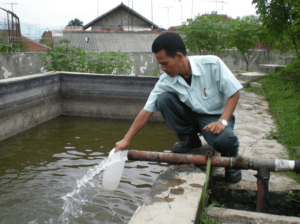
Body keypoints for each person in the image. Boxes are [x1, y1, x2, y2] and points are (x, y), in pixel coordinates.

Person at [114, 32, 243, 183]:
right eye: (160, 64)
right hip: (190, 115)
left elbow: (233, 93)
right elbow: (147, 110)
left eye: (165, 63)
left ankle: (232, 165)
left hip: (214, 117)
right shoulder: (166, 80)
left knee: (226, 140)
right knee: (163, 99)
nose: (163, 68)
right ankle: (189, 139)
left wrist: (223, 121)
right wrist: (126, 139)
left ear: (179, 56)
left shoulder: (212, 64)